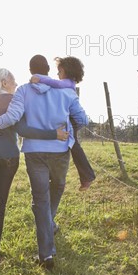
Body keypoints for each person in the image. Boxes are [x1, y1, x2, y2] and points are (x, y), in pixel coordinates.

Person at [0, 55, 89, 270]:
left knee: (40, 200)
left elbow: (13, 118)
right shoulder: (66, 91)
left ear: (30, 70)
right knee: (57, 188)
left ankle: (46, 255)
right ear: (49, 70)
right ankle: (49, 228)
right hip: (60, 151)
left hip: (34, 153)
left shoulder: (22, 90)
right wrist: (68, 126)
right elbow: (83, 120)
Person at [30, 56, 96, 191]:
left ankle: (87, 176)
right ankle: (87, 177)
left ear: (67, 72)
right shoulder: (68, 84)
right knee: (74, 145)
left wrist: (39, 78)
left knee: (73, 144)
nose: (57, 75)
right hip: (74, 120)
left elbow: (55, 83)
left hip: (75, 120)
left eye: (59, 72)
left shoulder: (66, 84)